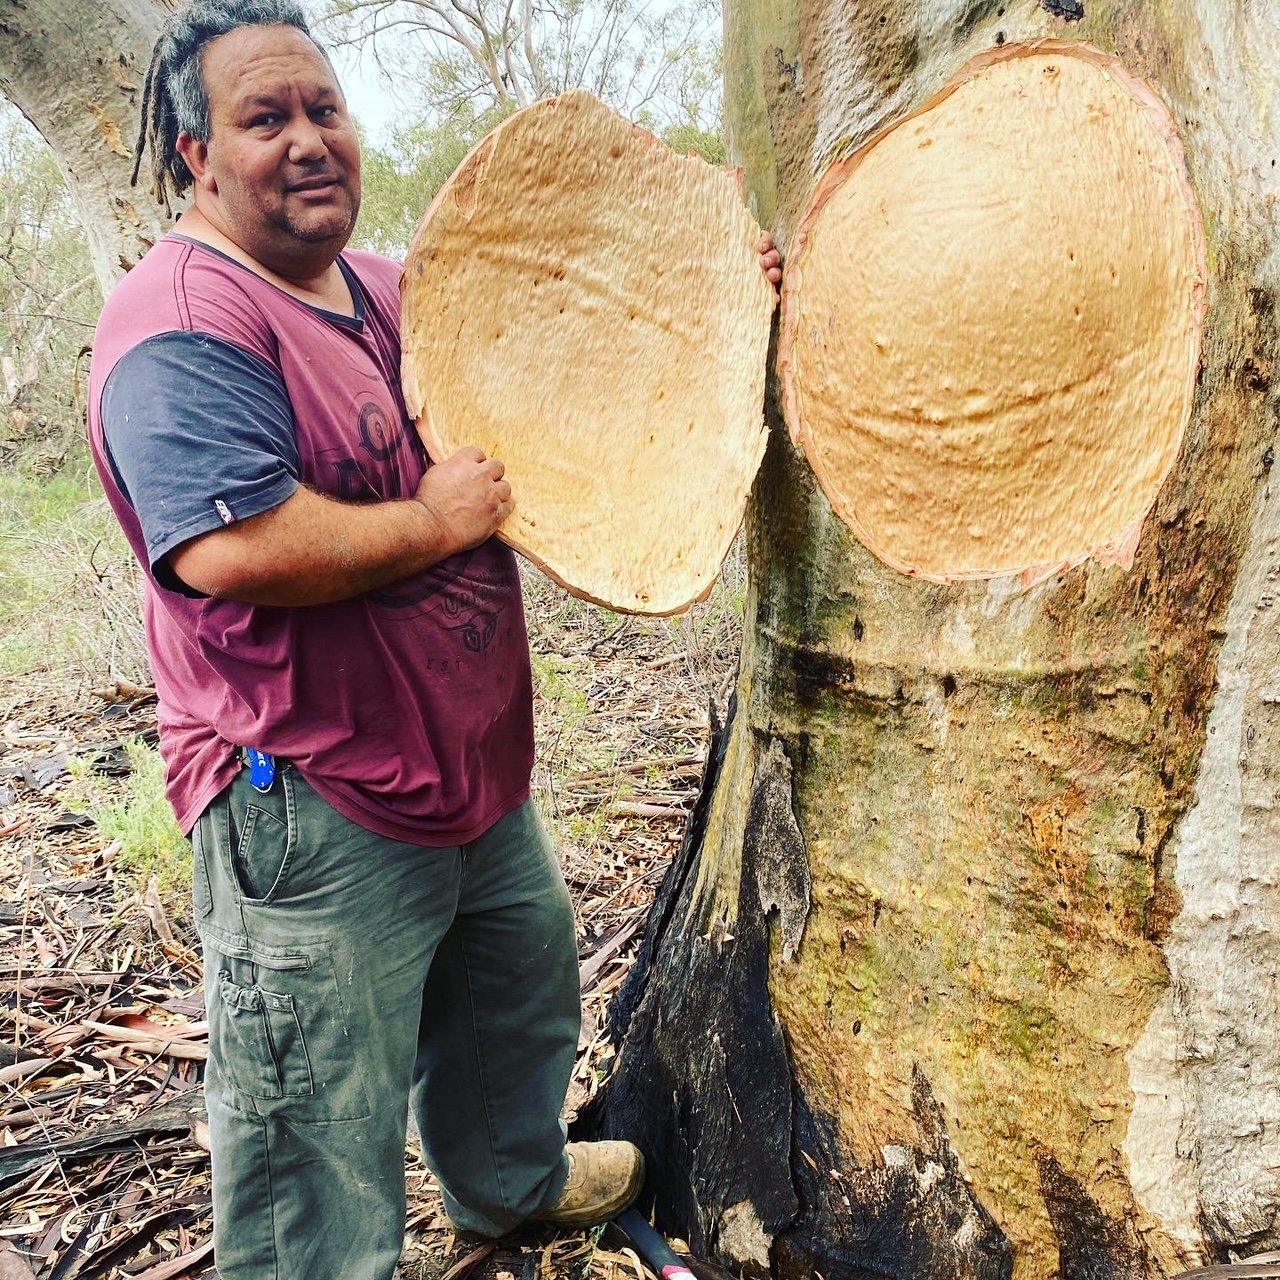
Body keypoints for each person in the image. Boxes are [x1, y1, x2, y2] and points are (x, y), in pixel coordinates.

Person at [87, 3, 783, 1277]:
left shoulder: (392, 290)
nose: (308, 139)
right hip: (307, 792)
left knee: (512, 997)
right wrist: (429, 518)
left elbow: (570, 338)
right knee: (312, 1108)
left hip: (461, 769)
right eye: (264, 118)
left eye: (324, 109)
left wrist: (721, 284)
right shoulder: (180, 323)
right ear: (194, 154)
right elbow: (226, 550)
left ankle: (508, 1183)